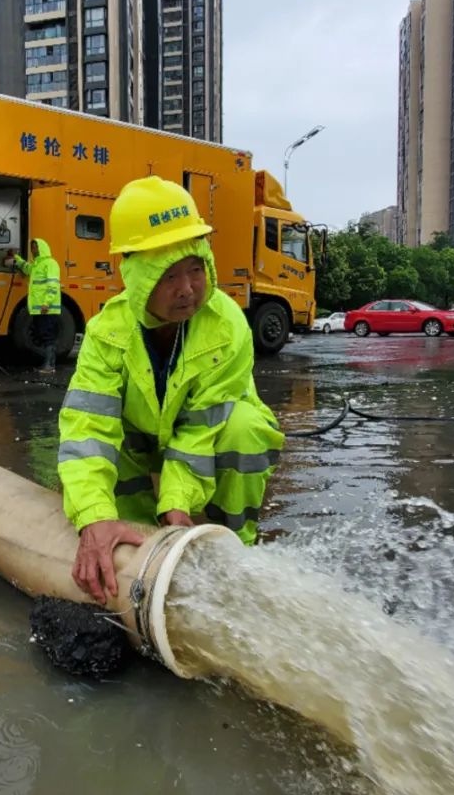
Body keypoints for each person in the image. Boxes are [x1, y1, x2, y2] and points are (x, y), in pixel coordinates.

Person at [57, 176, 285, 604]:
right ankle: (143, 547)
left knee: (245, 427)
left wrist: (176, 507)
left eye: (196, 269)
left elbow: (202, 430)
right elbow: (88, 430)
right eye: (168, 275)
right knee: (112, 479)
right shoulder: (107, 332)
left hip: (210, 438)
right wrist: (94, 517)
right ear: (136, 274)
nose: (187, 289)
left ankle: (236, 549)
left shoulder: (227, 325)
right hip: (143, 440)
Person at [14, 238, 62, 374]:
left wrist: (47, 302)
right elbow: (26, 268)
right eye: (32, 247)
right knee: (42, 334)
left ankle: (50, 365)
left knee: (47, 335)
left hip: (47, 308)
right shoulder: (36, 265)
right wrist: (16, 258)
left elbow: (53, 285)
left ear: (41, 248)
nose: (33, 250)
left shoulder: (50, 263)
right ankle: (47, 364)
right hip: (39, 309)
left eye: (35, 247)